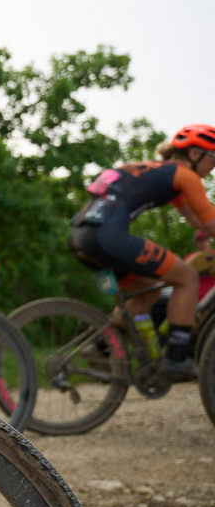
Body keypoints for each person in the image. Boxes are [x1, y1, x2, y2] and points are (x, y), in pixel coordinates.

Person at [68, 124, 215, 381]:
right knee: (187, 277)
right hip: (108, 237)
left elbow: (196, 220)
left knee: (149, 291)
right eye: (213, 159)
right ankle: (176, 359)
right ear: (195, 154)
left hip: (80, 237)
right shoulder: (186, 176)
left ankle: (99, 347)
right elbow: (210, 221)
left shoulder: (155, 169)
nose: (212, 168)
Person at [185, 230, 215, 303]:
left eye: (205, 240)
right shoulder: (189, 258)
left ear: (210, 242)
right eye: (200, 241)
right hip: (198, 297)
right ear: (195, 243)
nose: (203, 243)